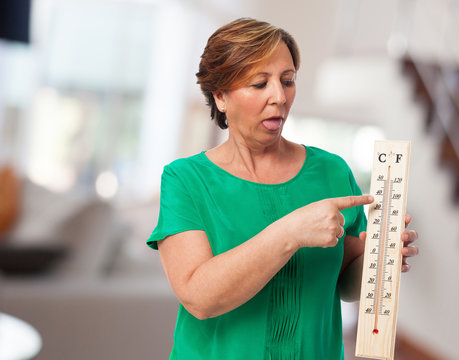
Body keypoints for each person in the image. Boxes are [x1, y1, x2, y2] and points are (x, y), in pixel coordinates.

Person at [147, 18, 419, 360]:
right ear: (220, 96)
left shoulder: (332, 170)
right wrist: (291, 232)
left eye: (287, 81)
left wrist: (379, 257)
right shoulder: (185, 179)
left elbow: (346, 286)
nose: (279, 96)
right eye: (260, 83)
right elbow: (200, 298)